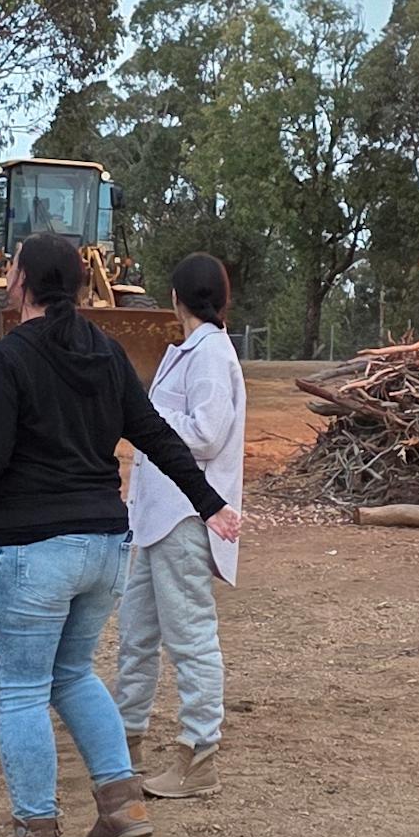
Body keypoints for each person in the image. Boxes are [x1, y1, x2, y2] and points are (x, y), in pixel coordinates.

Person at [0, 232, 238, 837]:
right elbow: (153, 433)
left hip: (35, 550)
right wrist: (210, 504)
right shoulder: (105, 350)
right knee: (71, 674)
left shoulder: (8, 359)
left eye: (12, 268)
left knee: (19, 691)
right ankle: (121, 805)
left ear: (21, 283)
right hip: (105, 545)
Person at [119, 254, 246, 799]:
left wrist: (146, 421)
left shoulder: (212, 355)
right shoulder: (193, 352)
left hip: (184, 517)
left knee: (191, 637)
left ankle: (200, 755)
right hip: (155, 517)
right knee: (136, 637)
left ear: (175, 299)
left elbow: (209, 435)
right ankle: (122, 747)